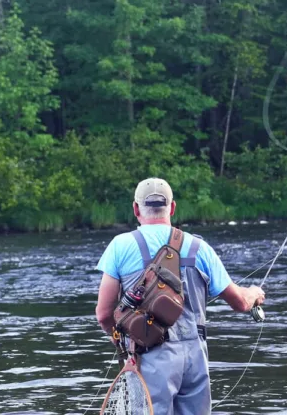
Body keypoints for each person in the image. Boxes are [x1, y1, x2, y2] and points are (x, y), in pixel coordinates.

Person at [95, 178, 266, 415]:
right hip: (195, 357)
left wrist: (122, 342)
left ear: (135, 209)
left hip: (147, 355)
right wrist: (255, 293)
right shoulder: (199, 247)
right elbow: (240, 302)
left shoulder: (120, 246)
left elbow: (104, 314)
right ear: (172, 208)